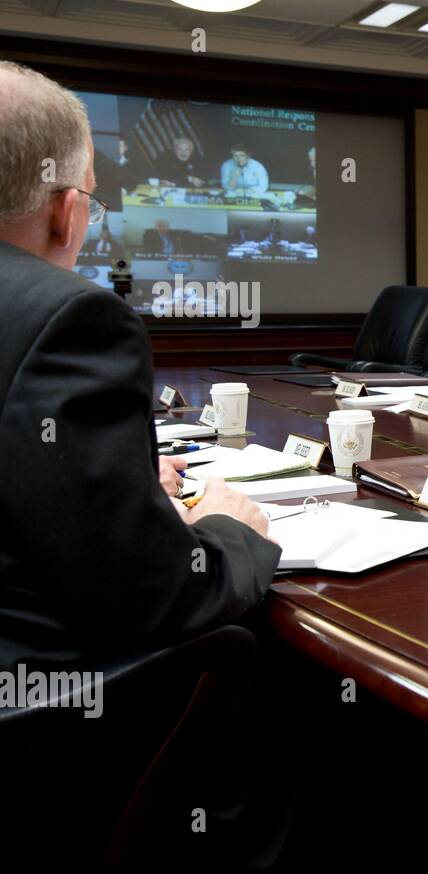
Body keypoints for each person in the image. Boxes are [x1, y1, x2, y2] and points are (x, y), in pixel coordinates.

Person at [0, 59, 280, 676]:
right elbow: (152, 598)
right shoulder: (68, 316)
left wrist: (103, 484)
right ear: (66, 211)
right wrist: (225, 530)